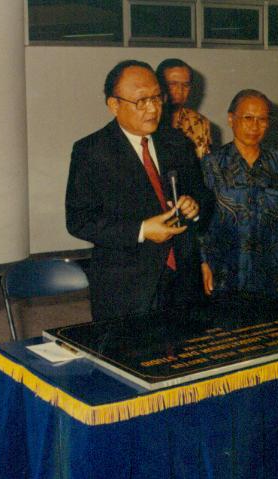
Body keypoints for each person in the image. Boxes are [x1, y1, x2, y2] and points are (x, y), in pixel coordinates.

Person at [65, 60, 206, 321]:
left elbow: (203, 197)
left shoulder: (177, 142)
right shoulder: (91, 151)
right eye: (141, 101)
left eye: (157, 98)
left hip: (183, 279)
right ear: (114, 105)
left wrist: (194, 207)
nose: (152, 108)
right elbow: (79, 221)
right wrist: (141, 230)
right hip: (126, 285)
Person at [200, 89, 278, 296]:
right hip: (223, 275)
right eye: (248, 118)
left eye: (262, 119)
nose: (255, 126)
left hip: (271, 274)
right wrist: (203, 262)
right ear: (231, 119)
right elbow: (200, 223)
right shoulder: (211, 165)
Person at [156, 58, 212, 159]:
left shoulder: (199, 122)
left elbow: (205, 164)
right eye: (172, 84)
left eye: (185, 85)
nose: (179, 91)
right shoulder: (147, 120)